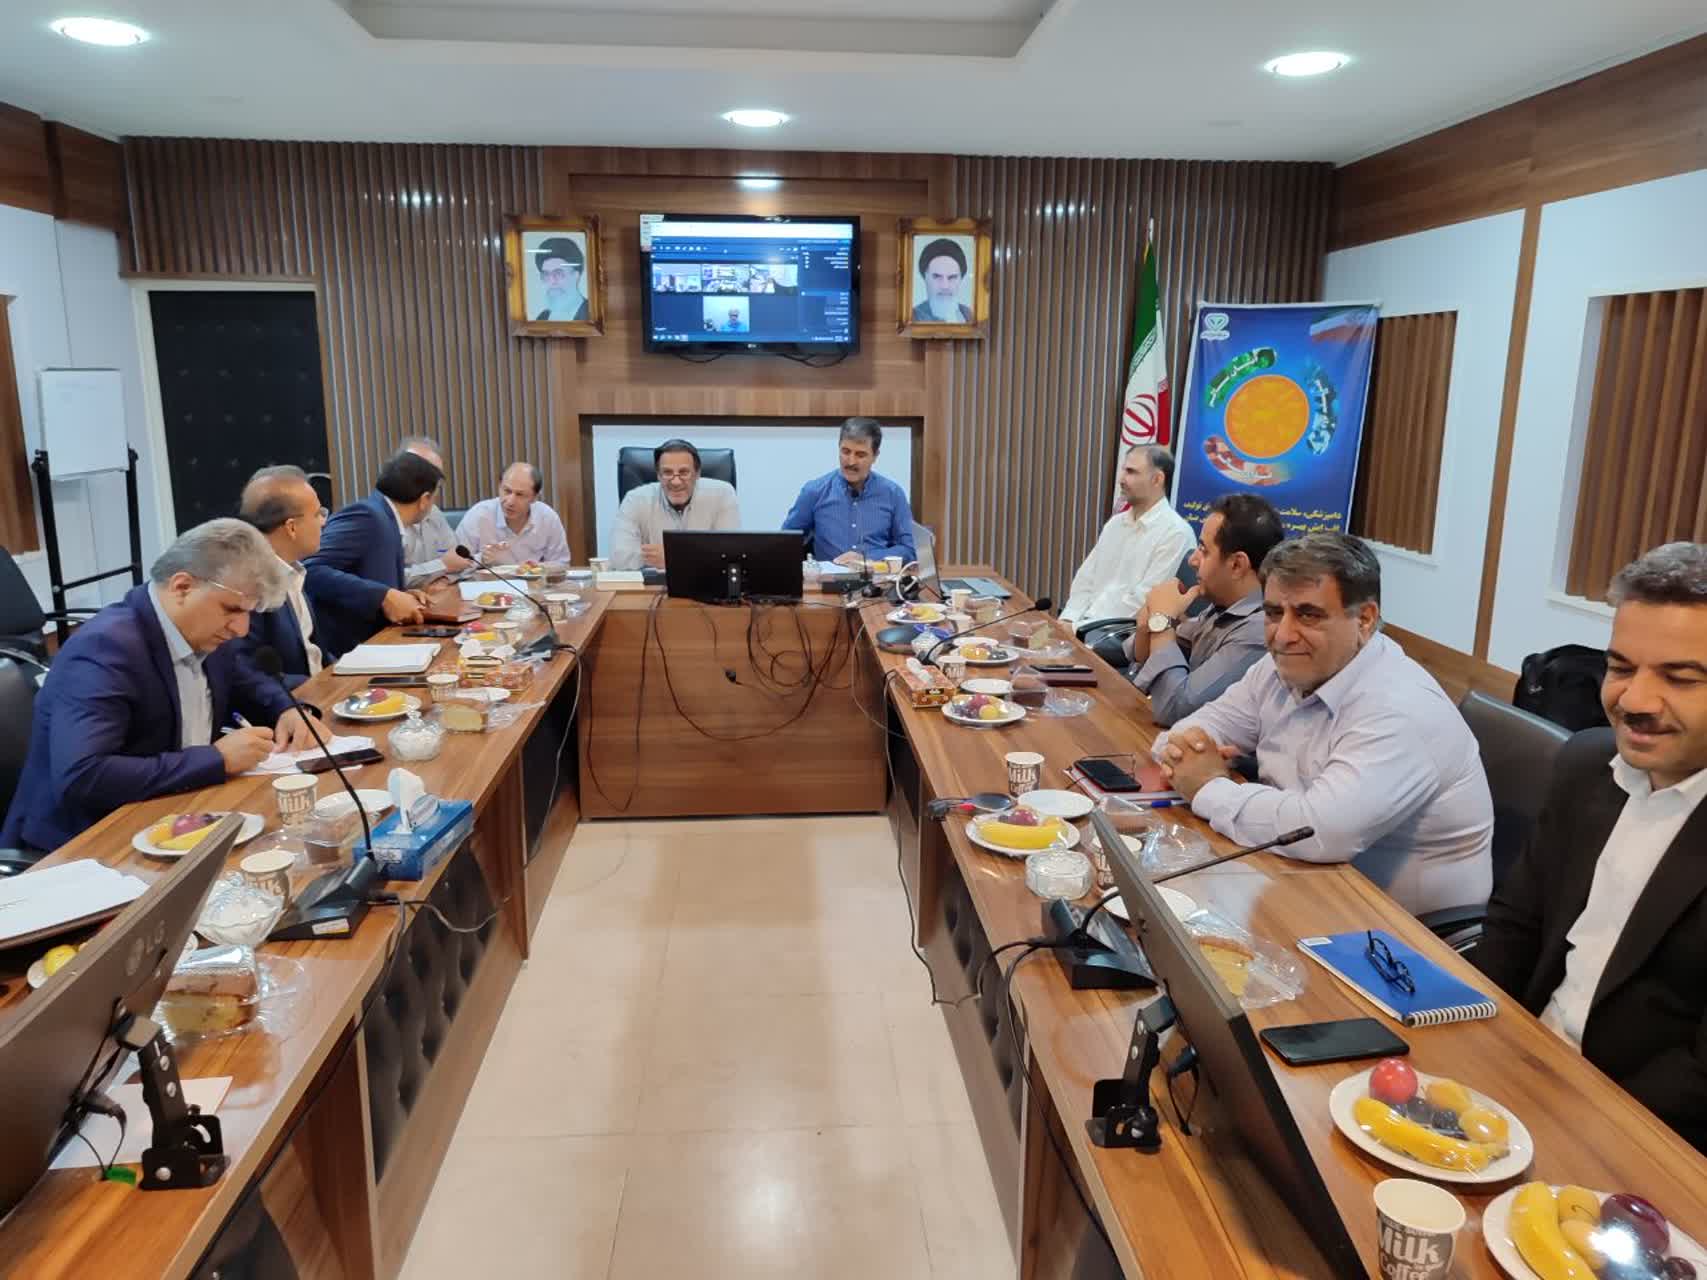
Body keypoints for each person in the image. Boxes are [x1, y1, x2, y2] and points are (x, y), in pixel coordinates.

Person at [1475, 543, 1707, 1154]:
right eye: (1621, 667)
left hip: (1637, 1138)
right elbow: (1514, 926)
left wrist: (1561, 1121)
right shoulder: (1585, 765)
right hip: (1516, 1069)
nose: (1633, 701)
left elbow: (1698, 1079)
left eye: (1680, 678)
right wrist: (1463, 1049)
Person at [1152, 533, 1493, 917]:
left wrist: (1208, 786)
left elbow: (1319, 831)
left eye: (1308, 615)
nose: (1283, 635)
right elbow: (1181, 737)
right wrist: (1193, 757)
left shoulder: (1399, 707)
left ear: (1365, 619)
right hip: (1297, 879)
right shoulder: (1280, 666)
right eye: (1274, 613)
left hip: (1399, 929)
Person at [0, 520, 321, 853]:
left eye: (249, 613)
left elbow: (247, 682)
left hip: (175, 814)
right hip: (86, 845)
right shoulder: (105, 649)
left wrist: (287, 709)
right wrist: (216, 760)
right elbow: (83, 775)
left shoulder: (205, 633)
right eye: (232, 609)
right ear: (182, 587)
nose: (241, 628)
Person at [1128, 492, 1285, 725]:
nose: (1192, 560)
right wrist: (1148, 626)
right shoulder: (1221, 608)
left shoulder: (1258, 630)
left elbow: (1174, 709)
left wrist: (1162, 622)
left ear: (1236, 564)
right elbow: (1137, 657)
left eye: (1203, 550)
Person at [303, 451, 439, 660]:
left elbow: (363, 575)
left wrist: (401, 595)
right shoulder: (367, 516)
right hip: (345, 653)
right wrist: (383, 596)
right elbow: (309, 569)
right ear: (424, 499)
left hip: (377, 647)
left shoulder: (385, 517)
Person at [1059, 445, 1194, 633]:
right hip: (1081, 628)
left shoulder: (1176, 533)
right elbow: (1085, 580)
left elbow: (1143, 602)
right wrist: (1068, 619)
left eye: (1131, 472)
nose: (1121, 480)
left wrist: (1077, 629)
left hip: (1121, 637)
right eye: (1123, 471)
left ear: (1157, 479)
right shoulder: (1115, 524)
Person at [237, 464, 327, 689]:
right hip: (294, 703)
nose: (324, 521)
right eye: (318, 514)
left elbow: (313, 653)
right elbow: (243, 673)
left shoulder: (293, 571)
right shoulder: (249, 585)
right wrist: (319, 687)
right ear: (291, 527)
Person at [783, 417, 916, 567]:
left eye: (860, 455)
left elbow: (910, 549)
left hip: (877, 578)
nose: (851, 462)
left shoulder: (893, 494)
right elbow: (786, 543)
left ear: (875, 456)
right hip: (828, 578)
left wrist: (866, 558)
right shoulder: (814, 491)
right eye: (845, 452)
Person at [609, 439, 741, 570]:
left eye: (684, 472)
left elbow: (730, 555)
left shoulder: (722, 494)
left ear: (697, 474)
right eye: (667, 473)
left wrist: (673, 557)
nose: (676, 482)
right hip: (653, 582)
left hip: (706, 582)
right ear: (658, 475)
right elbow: (619, 559)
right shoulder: (635, 499)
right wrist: (700, 556)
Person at [454, 462, 571, 566]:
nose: (510, 502)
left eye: (520, 495)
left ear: (534, 497)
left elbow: (562, 563)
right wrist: (482, 559)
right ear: (499, 487)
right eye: (507, 491)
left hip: (533, 583)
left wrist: (537, 568)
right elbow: (454, 564)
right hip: (487, 583)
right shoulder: (478, 515)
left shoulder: (547, 518)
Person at [397, 436, 470, 587]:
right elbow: (388, 578)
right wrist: (442, 566)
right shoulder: (384, 518)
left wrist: (443, 580)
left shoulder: (433, 512)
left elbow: (457, 559)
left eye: (435, 476)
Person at [911, 237, 973, 324]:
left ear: (961, 279)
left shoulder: (970, 315)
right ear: (925, 277)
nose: (945, 286)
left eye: (952, 277)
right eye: (937, 277)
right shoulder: (912, 318)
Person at [533, 236, 587, 322]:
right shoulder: (543, 317)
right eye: (546, 274)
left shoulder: (590, 313)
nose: (552, 281)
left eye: (558, 273)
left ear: (576, 275)